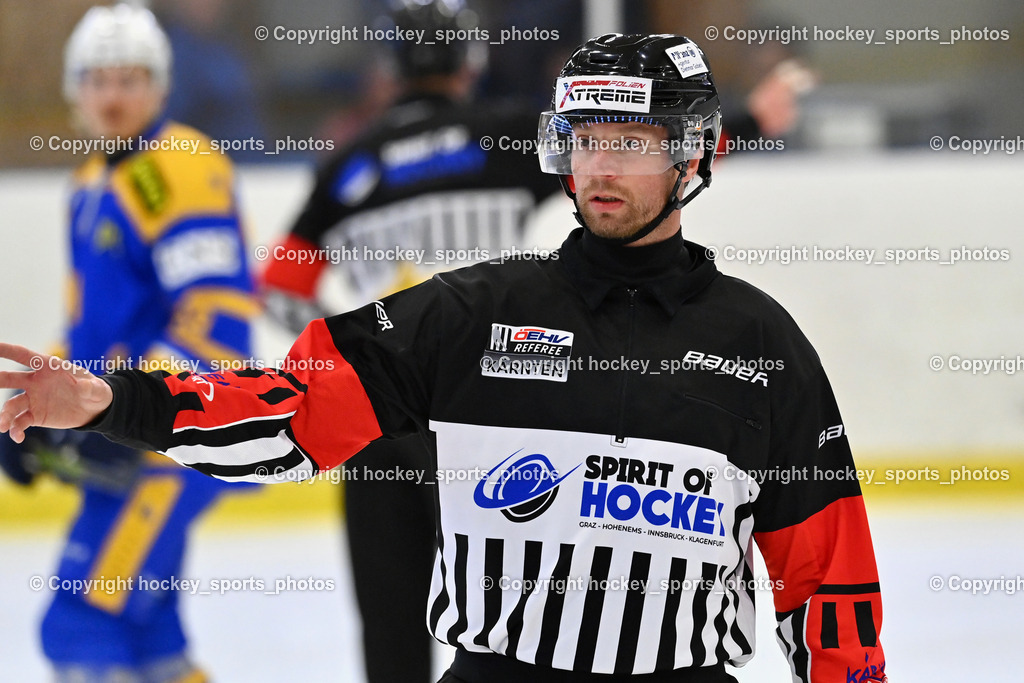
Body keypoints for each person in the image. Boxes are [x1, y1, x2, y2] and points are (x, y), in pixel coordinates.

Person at [1, 33, 887, 683]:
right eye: (585, 139)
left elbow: (830, 579)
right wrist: (110, 399)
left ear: (692, 151)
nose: (599, 167)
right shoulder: (469, 314)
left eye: (629, 141)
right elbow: (286, 410)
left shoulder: (762, 345)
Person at [261, 1, 556, 680]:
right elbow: (628, 160)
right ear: (468, 61)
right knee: (506, 622)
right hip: (487, 408)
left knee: (390, 622)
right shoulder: (510, 133)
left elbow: (279, 286)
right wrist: (753, 122)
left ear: (391, 66)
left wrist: (353, 348)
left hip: (376, 412)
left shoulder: (349, 164)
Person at [0, 4, 256, 682]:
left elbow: (215, 321)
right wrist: (37, 408)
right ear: (74, 89)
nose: (113, 95)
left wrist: (125, 407)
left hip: (171, 440)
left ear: (161, 86)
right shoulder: (91, 182)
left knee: (83, 622)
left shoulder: (181, 167)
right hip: (127, 432)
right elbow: (93, 329)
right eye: (98, 79)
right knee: (150, 636)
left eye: (131, 78)